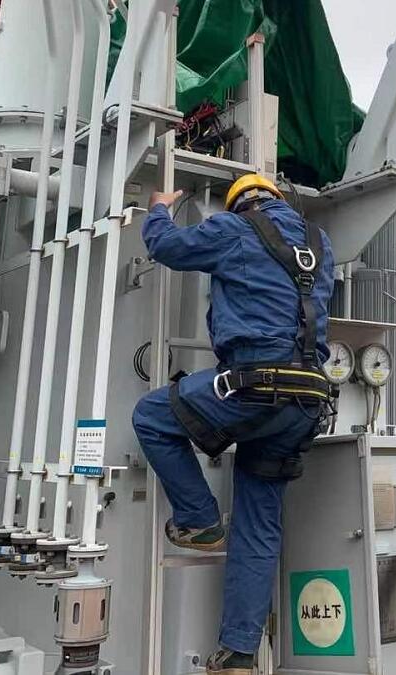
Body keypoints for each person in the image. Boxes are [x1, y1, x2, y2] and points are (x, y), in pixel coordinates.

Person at [132, 174, 334, 675]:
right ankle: (238, 653)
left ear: (241, 203)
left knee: (152, 416)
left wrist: (158, 209)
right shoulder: (319, 244)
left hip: (253, 385)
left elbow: (167, 247)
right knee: (259, 524)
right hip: (308, 401)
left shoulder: (236, 228)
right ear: (276, 199)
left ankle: (199, 520)